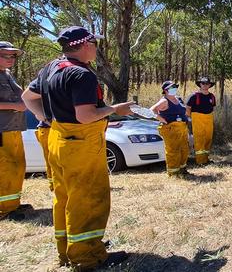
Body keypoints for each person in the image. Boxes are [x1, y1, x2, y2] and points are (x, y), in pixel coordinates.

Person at [22, 27, 132, 270]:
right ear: (84, 45)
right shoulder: (82, 75)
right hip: (81, 145)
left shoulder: (51, 68)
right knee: (89, 198)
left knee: (64, 198)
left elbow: (28, 97)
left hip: (58, 140)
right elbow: (86, 116)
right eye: (94, 43)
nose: (96, 48)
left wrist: (49, 119)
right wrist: (115, 109)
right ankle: (87, 257)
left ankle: (67, 250)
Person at [0, 41, 29, 221]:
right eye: (5, 55)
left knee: (17, 166)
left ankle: (13, 204)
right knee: (5, 167)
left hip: (14, 129)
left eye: (12, 56)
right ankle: (4, 210)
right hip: (2, 130)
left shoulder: (7, 75)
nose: (10, 59)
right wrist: (15, 106)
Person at [151, 81, 191, 177]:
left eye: (175, 87)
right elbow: (152, 110)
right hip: (170, 128)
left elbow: (185, 111)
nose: (174, 89)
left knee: (184, 149)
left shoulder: (178, 99)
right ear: (165, 90)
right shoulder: (164, 101)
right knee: (173, 150)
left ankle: (182, 169)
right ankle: (173, 173)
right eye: (171, 87)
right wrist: (163, 120)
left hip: (182, 127)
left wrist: (187, 118)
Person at [186, 77, 216, 165]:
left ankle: (206, 159)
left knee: (208, 138)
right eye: (203, 83)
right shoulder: (194, 96)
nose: (205, 85)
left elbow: (213, 107)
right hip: (197, 118)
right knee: (199, 138)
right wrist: (189, 118)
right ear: (200, 84)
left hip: (209, 118)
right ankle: (200, 161)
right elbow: (188, 108)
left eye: (207, 83)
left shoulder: (212, 96)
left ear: (209, 85)